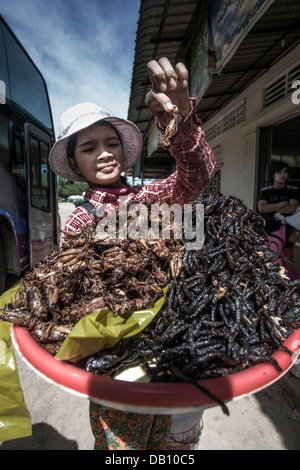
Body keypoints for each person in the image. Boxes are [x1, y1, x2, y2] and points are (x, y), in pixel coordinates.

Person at [49, 57, 216, 450]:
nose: (105, 154)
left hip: (167, 351)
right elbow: (74, 297)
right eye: (89, 148)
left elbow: (198, 175)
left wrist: (181, 119)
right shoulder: (78, 222)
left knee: (176, 445)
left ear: (124, 153)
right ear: (74, 163)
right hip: (117, 363)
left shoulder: (148, 197)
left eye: (112, 144)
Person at [258, 161, 300, 280]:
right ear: (273, 174)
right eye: (279, 172)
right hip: (271, 230)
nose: (282, 175)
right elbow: (261, 208)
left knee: (288, 263)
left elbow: (291, 208)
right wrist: (283, 203)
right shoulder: (266, 191)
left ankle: (295, 289)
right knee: (271, 260)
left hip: (288, 229)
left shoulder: (293, 190)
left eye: (285, 172)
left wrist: (270, 207)